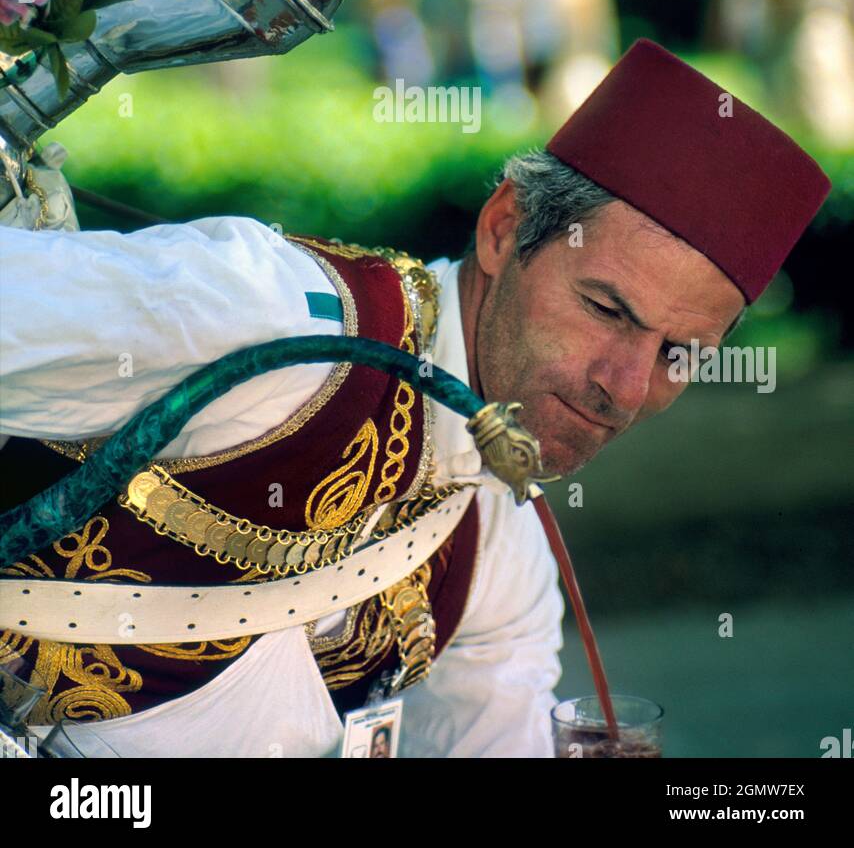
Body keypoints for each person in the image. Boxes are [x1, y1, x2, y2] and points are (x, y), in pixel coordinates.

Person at [0, 40, 830, 758]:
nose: (626, 387)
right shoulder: (265, 317)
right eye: (607, 310)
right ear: (505, 228)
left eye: (678, 355)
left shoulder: (498, 543)